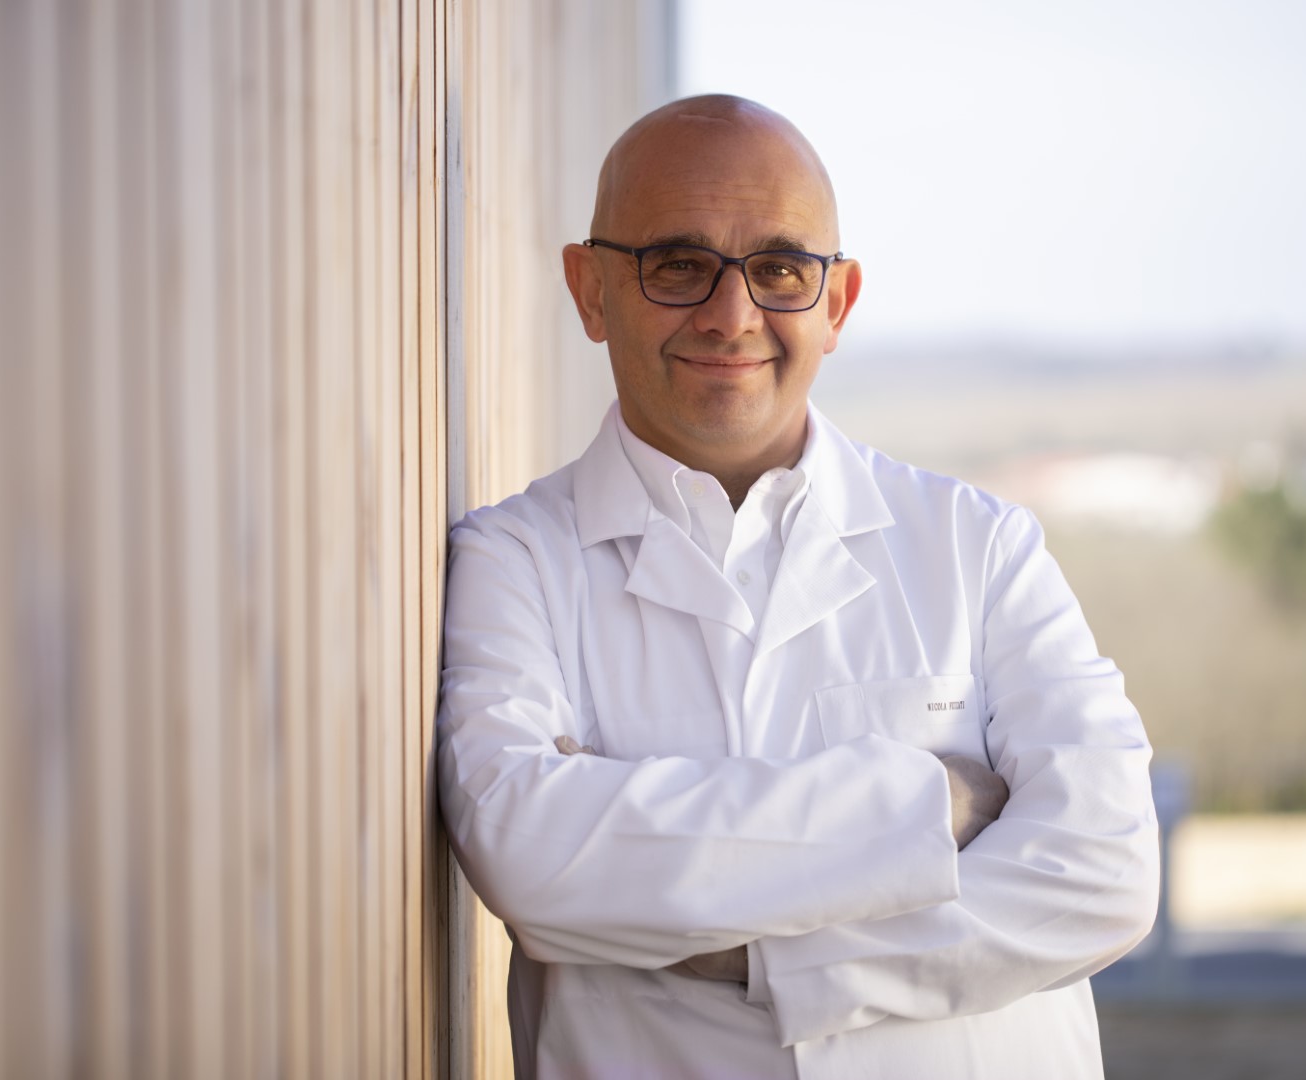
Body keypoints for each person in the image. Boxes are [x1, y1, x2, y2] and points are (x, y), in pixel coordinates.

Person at [437, 94, 1159, 1079]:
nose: (731, 315)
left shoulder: (979, 546)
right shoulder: (514, 560)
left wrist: (766, 960)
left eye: (779, 270)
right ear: (591, 289)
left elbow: (1104, 872)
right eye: (677, 264)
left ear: (837, 303)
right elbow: (530, 848)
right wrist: (929, 809)